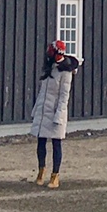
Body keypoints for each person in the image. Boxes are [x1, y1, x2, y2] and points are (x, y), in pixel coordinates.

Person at [30, 39, 79, 187]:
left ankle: (55, 175)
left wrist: (59, 115)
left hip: (55, 112)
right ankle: (41, 171)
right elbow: (42, 92)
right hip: (43, 110)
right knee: (41, 142)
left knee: (56, 143)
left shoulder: (65, 72)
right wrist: (37, 109)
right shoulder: (50, 67)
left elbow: (64, 96)